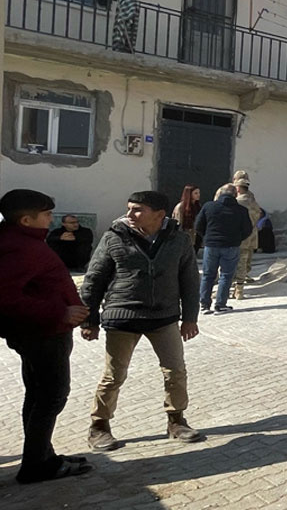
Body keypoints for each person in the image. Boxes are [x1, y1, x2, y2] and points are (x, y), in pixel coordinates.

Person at [80, 190, 204, 451]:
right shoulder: (114, 237)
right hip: (123, 316)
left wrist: (190, 318)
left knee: (176, 371)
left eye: (137, 210)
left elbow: (190, 280)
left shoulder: (178, 239)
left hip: (164, 317)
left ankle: (176, 421)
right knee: (114, 376)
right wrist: (89, 319)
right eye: (129, 208)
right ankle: (99, 426)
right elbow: (94, 280)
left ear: (159, 215)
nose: (129, 214)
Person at [0, 190, 94, 483]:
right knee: (51, 397)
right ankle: (36, 465)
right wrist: (58, 312)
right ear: (27, 219)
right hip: (42, 334)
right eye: (46, 214)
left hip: (42, 332)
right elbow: (1, 295)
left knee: (39, 396)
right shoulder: (20, 247)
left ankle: (42, 455)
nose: (51, 219)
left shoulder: (22, 240)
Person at [193, 184, 252, 313]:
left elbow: (198, 225)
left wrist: (207, 237)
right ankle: (220, 304)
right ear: (235, 195)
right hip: (231, 246)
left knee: (208, 275)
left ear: (219, 194)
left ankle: (204, 304)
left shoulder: (208, 207)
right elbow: (248, 230)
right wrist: (237, 239)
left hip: (211, 245)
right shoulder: (241, 210)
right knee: (226, 275)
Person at [231, 177, 263, 301]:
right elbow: (258, 214)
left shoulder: (237, 202)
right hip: (250, 236)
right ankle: (239, 289)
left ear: (238, 187)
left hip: (238, 237)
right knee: (244, 262)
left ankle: (235, 288)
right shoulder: (252, 201)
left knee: (234, 263)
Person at [171, 185, 202, 249]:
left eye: (199, 193)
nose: (198, 195)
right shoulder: (180, 207)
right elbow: (178, 222)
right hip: (185, 236)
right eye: (196, 193)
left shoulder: (198, 206)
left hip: (196, 237)